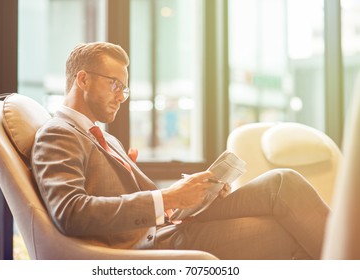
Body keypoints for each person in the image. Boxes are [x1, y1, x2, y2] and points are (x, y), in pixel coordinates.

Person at [31, 42, 330, 259]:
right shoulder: (58, 134)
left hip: (169, 225)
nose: (121, 97)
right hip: (150, 246)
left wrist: (193, 195)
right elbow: (70, 212)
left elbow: (144, 201)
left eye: (124, 88)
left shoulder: (104, 138)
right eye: (114, 85)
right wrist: (169, 197)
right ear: (83, 79)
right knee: (285, 231)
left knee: (282, 183)